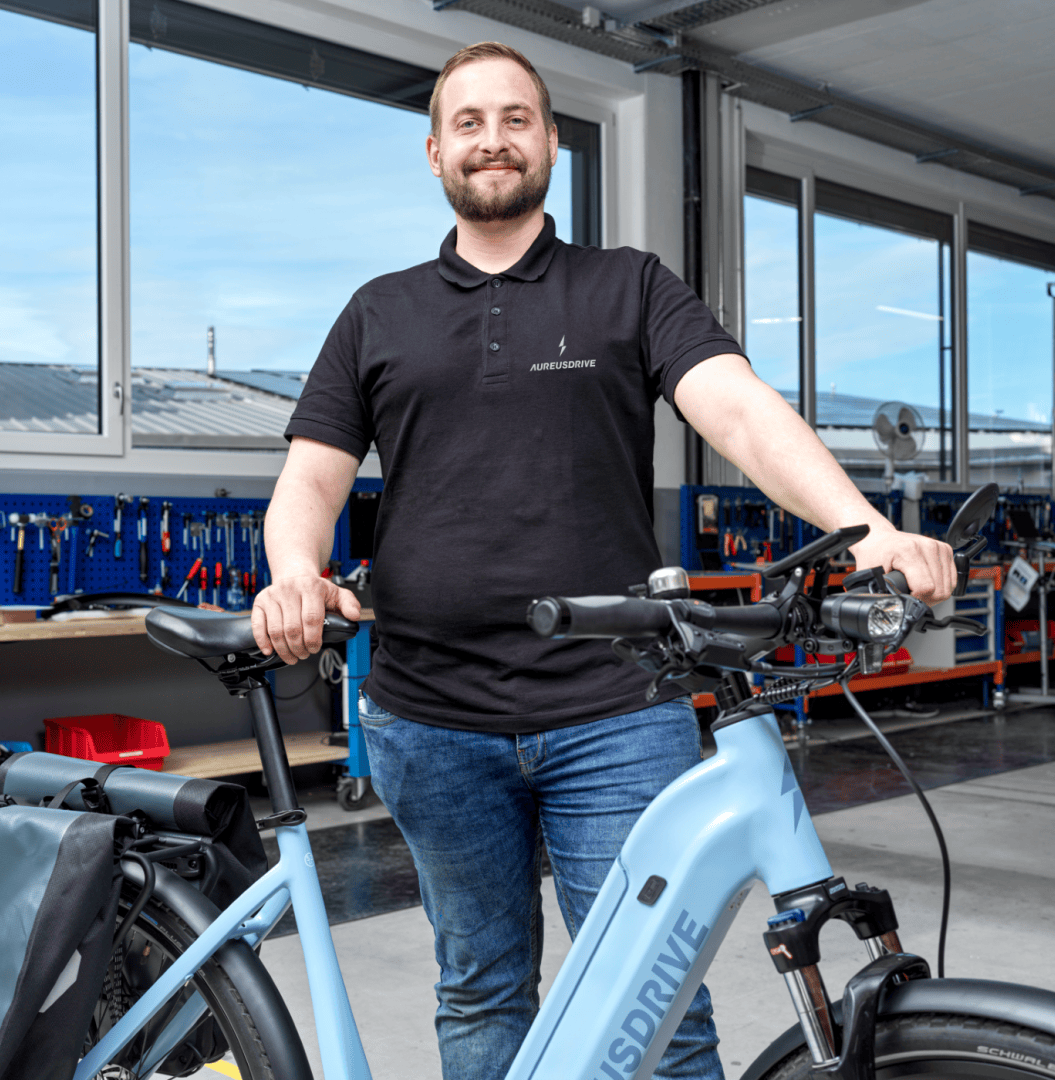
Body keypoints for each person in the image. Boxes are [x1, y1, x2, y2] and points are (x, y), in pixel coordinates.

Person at [251, 41, 955, 1080]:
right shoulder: (378, 311)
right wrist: (292, 570)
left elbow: (739, 412)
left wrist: (865, 530)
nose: (493, 139)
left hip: (617, 712)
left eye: (517, 118)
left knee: (659, 1002)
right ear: (435, 150)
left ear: (548, 142)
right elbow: (311, 480)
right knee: (481, 989)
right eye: (470, 122)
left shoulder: (628, 287)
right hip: (430, 716)